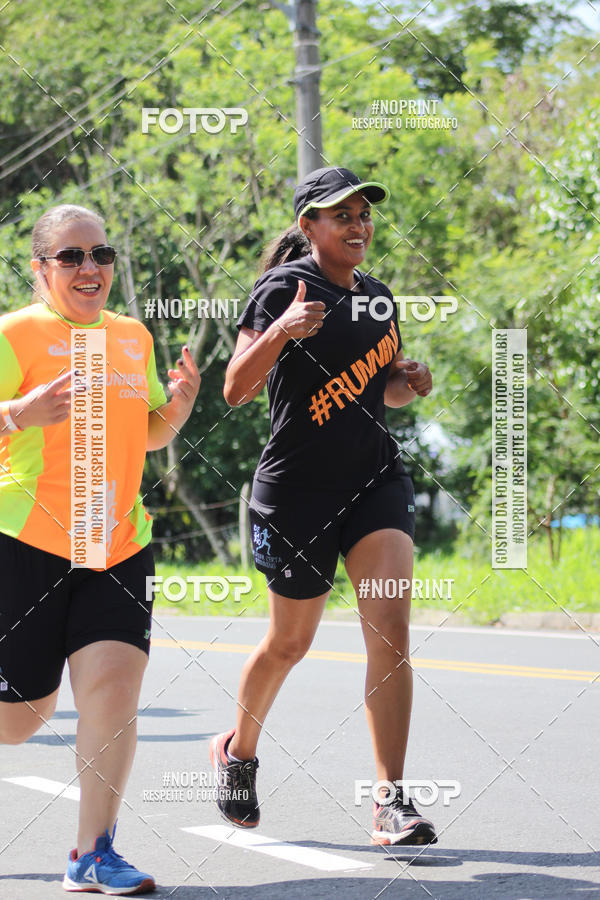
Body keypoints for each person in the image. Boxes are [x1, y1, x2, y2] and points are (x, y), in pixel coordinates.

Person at [211, 167, 437, 847]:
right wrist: (282, 330)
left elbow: (382, 391)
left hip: (374, 482)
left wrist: (408, 381)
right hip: (297, 493)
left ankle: (390, 800)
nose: (359, 226)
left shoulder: (379, 298)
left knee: (390, 631)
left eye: (364, 214)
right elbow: (235, 389)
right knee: (291, 642)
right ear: (309, 225)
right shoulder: (284, 288)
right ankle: (238, 753)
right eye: (343, 215)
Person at [0, 204, 200, 894]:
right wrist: (19, 413)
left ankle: (93, 852)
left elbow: (145, 430)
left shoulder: (132, 336)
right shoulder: (13, 334)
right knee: (20, 721)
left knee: (114, 692)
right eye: (72, 256)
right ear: (40, 268)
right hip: (25, 542)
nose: (90, 268)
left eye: (101, 255)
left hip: (117, 545)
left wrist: (176, 411)